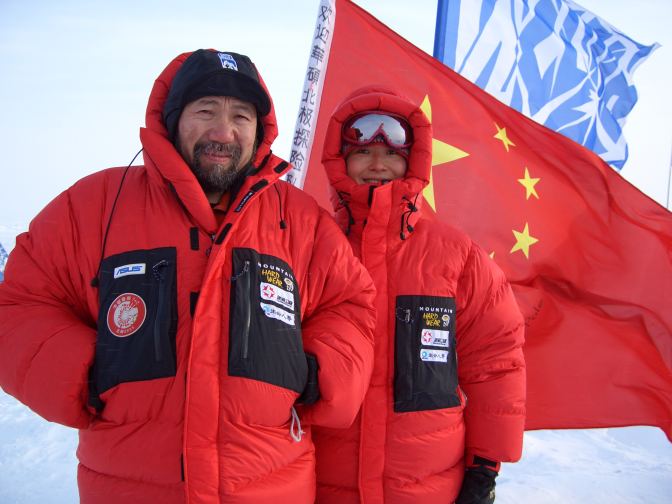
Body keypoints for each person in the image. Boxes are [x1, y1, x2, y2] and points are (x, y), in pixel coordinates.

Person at [0, 49, 377, 503]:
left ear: (260, 131)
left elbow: (350, 304)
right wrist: (83, 372)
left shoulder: (301, 221)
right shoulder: (95, 205)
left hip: (270, 487)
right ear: (173, 119)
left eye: (241, 115)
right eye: (205, 111)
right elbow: (20, 303)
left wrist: (319, 373)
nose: (224, 131)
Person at [312, 86, 527, 504]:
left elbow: (496, 362)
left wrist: (485, 466)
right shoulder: (310, 243)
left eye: (392, 154)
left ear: (413, 162)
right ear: (341, 160)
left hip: (428, 487)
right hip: (321, 482)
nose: (377, 165)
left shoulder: (457, 255)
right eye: (362, 153)